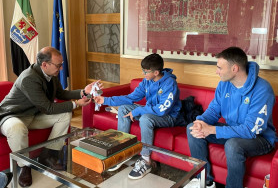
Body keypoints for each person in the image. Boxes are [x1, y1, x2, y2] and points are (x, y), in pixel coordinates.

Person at [0, 46, 101, 187]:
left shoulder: (50, 75)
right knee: (17, 128)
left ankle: (48, 155)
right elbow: (47, 108)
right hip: (12, 116)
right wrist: (76, 104)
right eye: (58, 65)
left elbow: (61, 94)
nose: (60, 69)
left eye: (61, 65)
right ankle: (24, 166)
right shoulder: (28, 78)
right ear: (44, 64)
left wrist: (83, 91)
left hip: (33, 115)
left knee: (65, 113)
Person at [186, 47, 277, 188]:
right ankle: (204, 181)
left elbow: (249, 130)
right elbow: (214, 110)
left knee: (233, 145)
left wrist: (211, 129)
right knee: (191, 128)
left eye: (219, 68)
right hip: (234, 130)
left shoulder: (262, 89)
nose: (217, 71)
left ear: (234, 68)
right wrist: (201, 122)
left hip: (260, 138)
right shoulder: (224, 84)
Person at [94, 53, 185, 180]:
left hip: (168, 117)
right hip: (150, 112)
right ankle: (122, 150)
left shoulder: (170, 84)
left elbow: (162, 110)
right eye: (143, 70)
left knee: (145, 118)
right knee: (125, 108)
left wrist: (138, 111)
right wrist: (106, 100)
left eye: (146, 71)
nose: (143, 74)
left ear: (156, 72)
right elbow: (131, 98)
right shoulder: (146, 81)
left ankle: (146, 160)